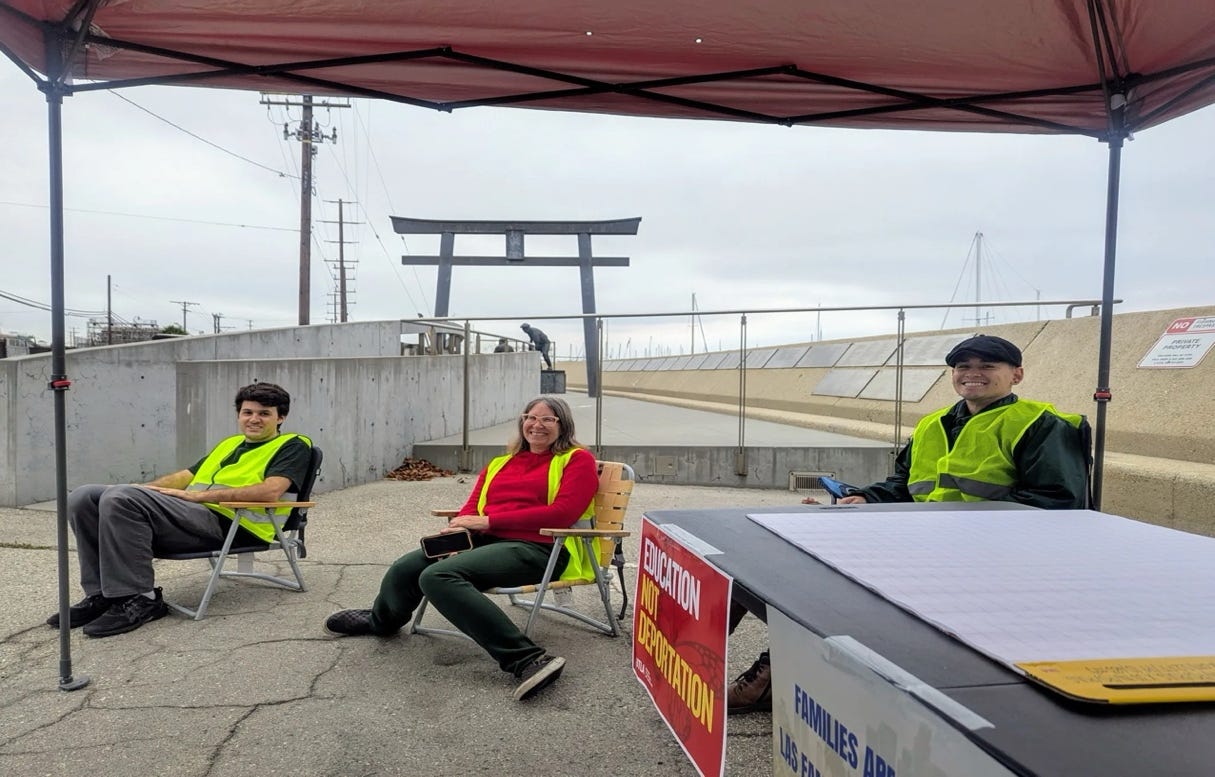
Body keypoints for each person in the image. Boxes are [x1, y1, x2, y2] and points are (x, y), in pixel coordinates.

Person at [727, 334, 1090, 714]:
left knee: (832, 586)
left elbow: (1056, 503)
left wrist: (946, 530)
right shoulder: (933, 425)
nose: (973, 373)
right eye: (963, 366)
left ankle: (772, 675)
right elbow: (904, 484)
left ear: (1016, 375)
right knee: (759, 557)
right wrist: (866, 498)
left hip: (992, 558)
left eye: (988, 366)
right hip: (921, 543)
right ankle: (699, 652)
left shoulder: (1039, 424)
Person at [324, 395, 598, 701]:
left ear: (563, 425)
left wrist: (488, 521)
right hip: (485, 542)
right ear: (522, 422)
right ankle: (381, 622)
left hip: (539, 547)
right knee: (407, 567)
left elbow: (562, 513)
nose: (537, 425)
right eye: (531, 417)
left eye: (549, 419)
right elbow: (474, 504)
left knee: (437, 576)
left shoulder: (577, 459)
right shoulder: (501, 462)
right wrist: (459, 529)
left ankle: (528, 659)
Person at [47, 382, 313, 638]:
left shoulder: (293, 445)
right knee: (84, 496)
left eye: (264, 413)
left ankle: (142, 599)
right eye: (248, 412)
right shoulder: (230, 444)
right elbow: (186, 476)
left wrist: (197, 497)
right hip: (192, 515)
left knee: (121, 496)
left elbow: (270, 491)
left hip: (235, 524)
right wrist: (144, 489)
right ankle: (103, 594)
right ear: (239, 415)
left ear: (281, 417)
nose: (254, 419)